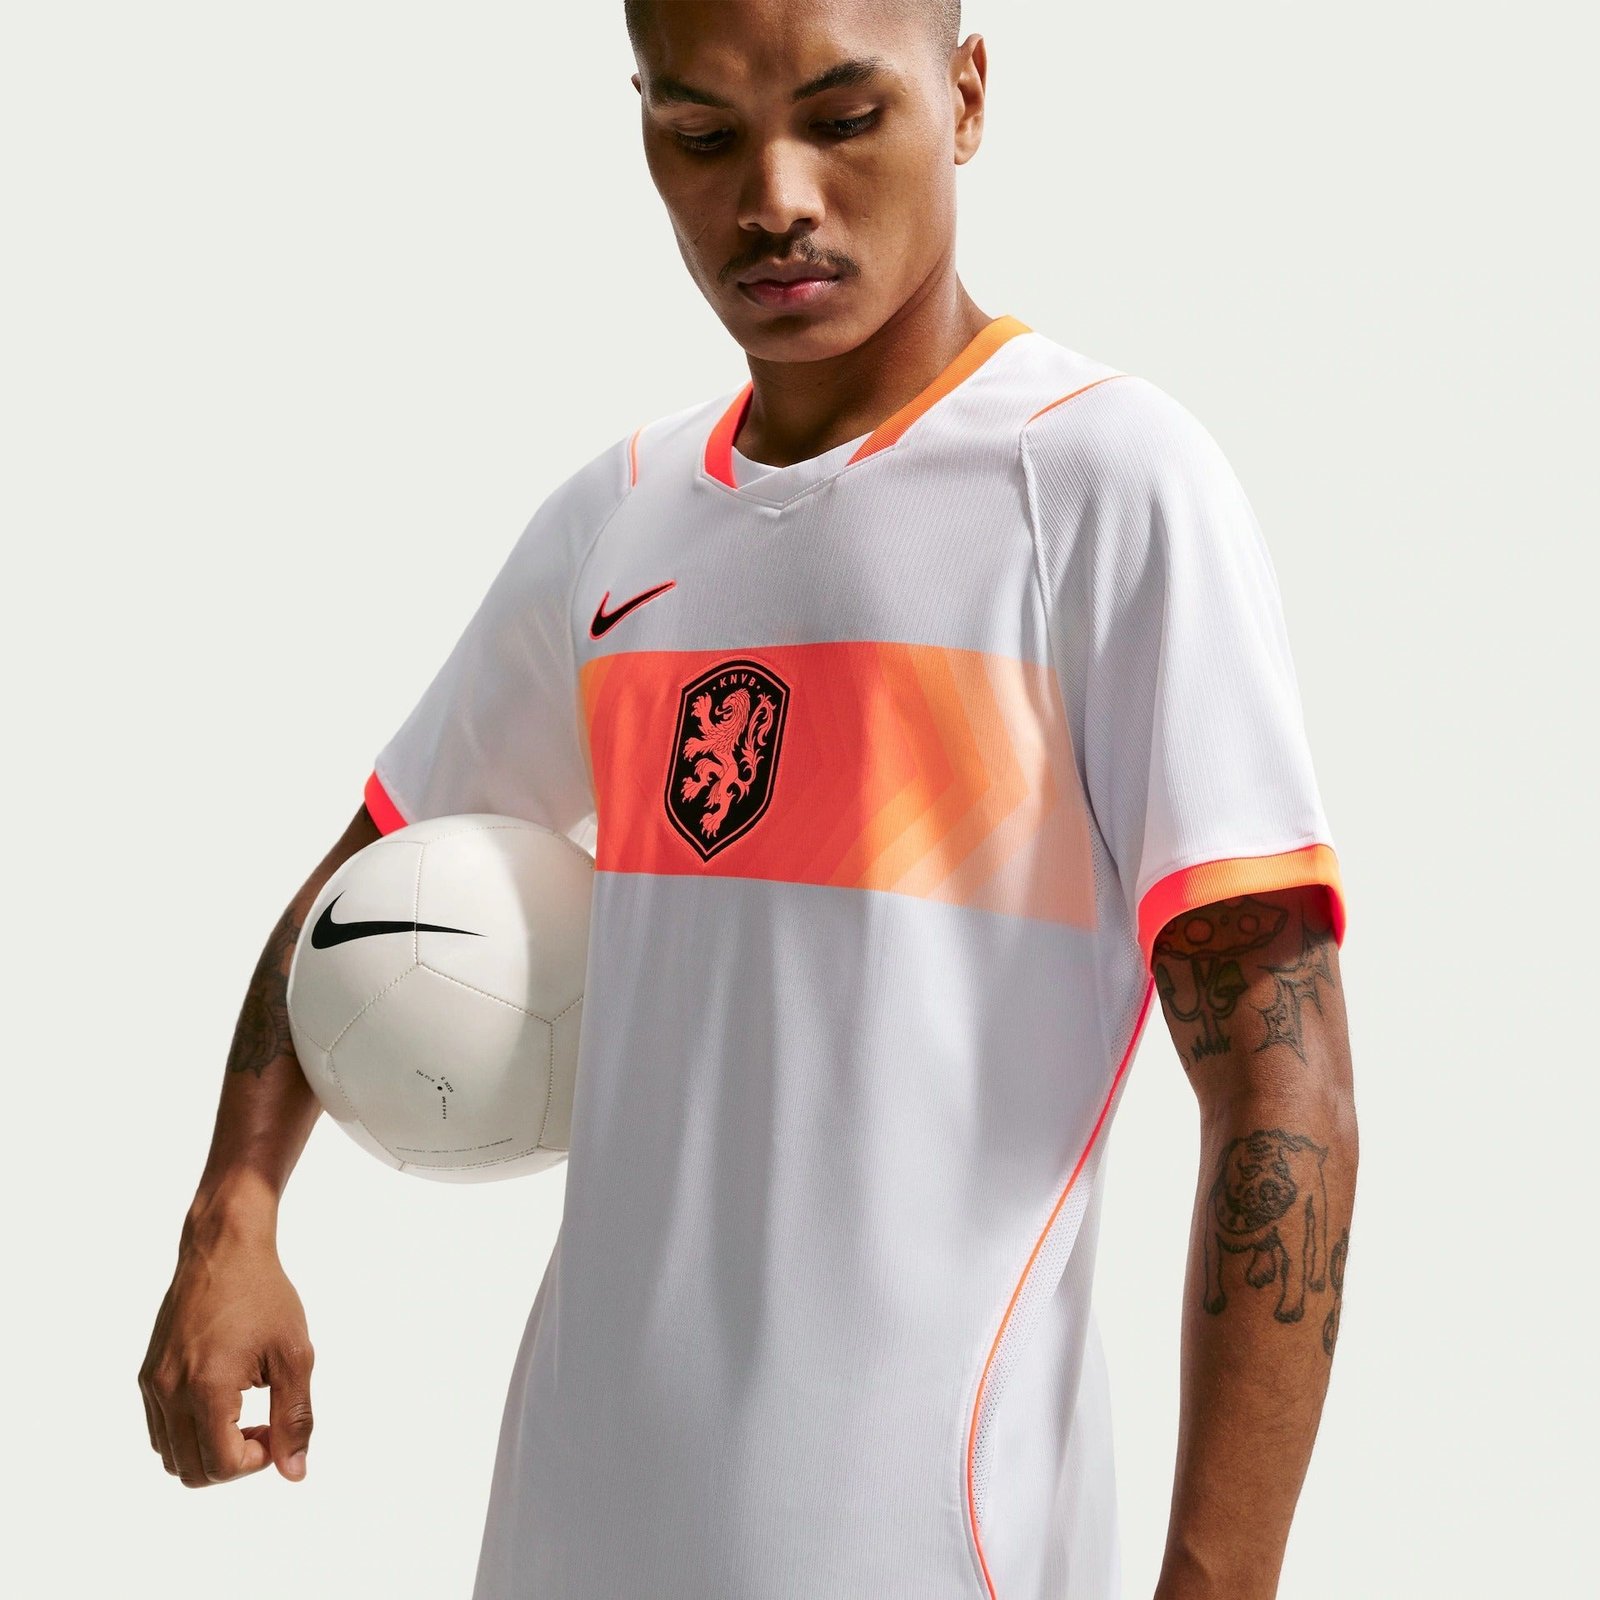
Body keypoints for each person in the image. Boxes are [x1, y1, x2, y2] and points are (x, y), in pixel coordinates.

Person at [139, 3, 1358, 1596]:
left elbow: (1282, 1083)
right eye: (703, 134)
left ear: (965, 97)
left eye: (842, 120)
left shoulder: (1101, 485)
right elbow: (372, 872)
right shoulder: (622, 514)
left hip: (924, 1550)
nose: (773, 198)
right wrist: (232, 1210)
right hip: (567, 1527)